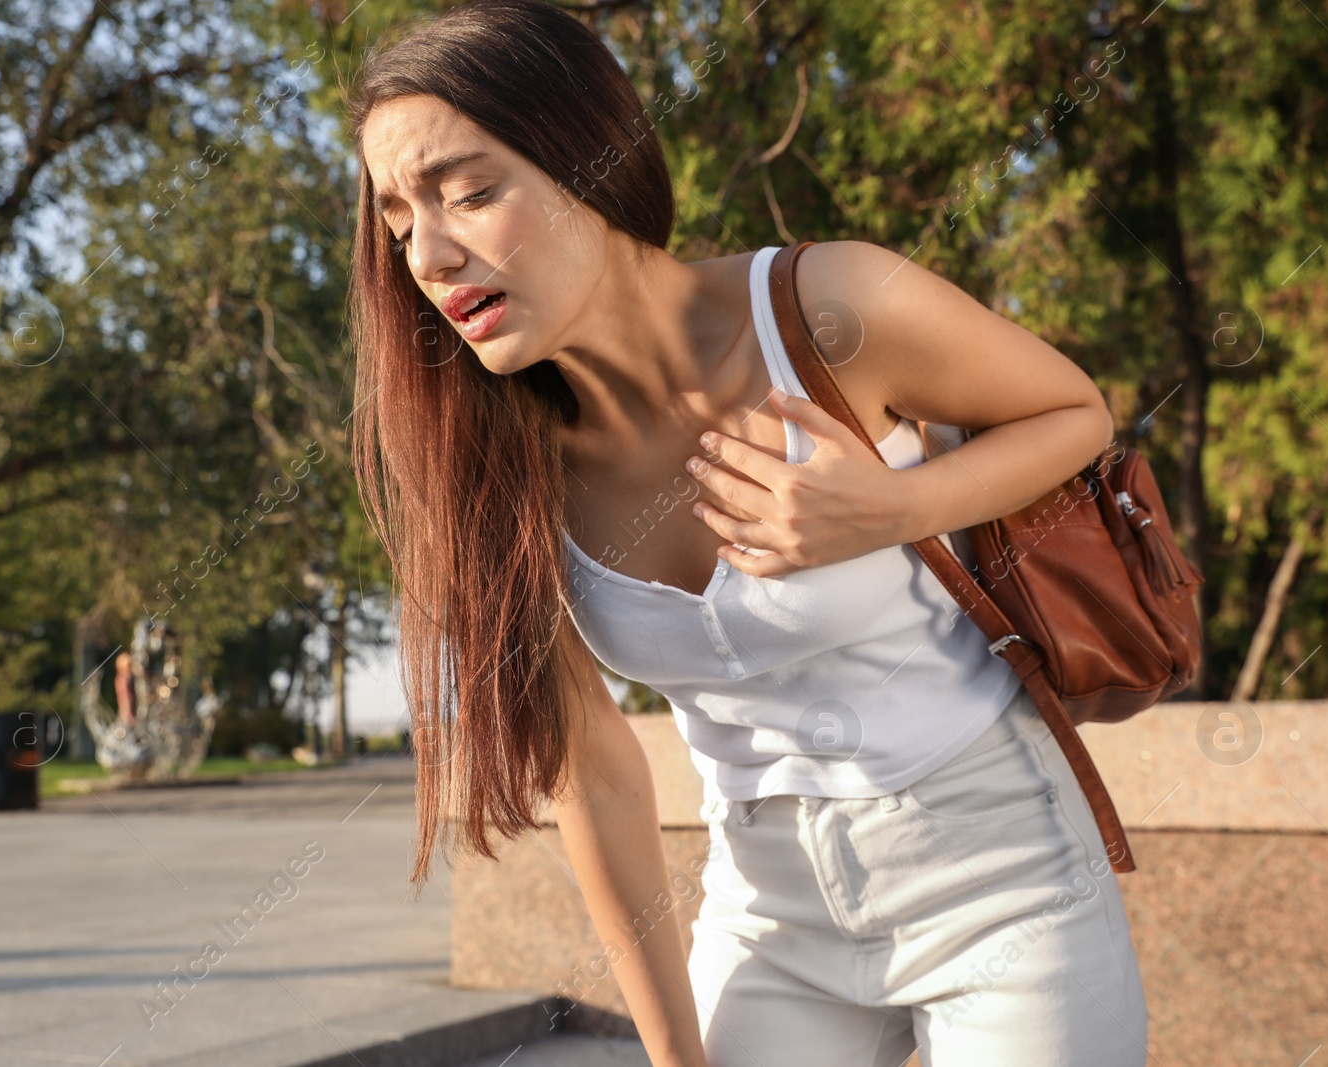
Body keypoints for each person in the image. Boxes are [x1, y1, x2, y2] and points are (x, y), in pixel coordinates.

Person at [344, 2, 1147, 1064]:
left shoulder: (825, 307)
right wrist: (675, 1049)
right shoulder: (503, 471)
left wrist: (895, 508)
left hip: (1003, 882)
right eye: (401, 224)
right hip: (771, 920)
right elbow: (594, 773)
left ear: (591, 159)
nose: (431, 256)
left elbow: (1074, 412)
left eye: (471, 193)